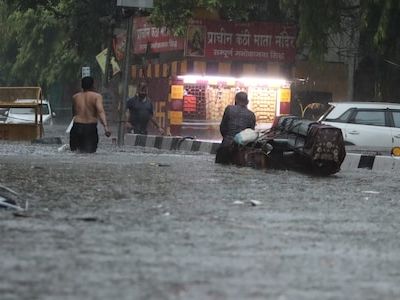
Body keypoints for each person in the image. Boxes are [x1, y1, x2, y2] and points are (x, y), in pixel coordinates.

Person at [70, 76, 111, 153]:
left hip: (76, 127)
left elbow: (73, 113)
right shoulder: (97, 96)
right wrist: (106, 127)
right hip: (90, 128)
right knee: (89, 154)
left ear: (82, 85)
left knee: (75, 153)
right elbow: (100, 111)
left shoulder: (75, 97)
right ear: (92, 85)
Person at [215, 91, 256, 164]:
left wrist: (227, 138)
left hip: (226, 145)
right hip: (242, 148)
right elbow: (250, 133)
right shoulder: (251, 115)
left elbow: (223, 127)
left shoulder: (229, 109)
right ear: (247, 102)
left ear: (235, 100)